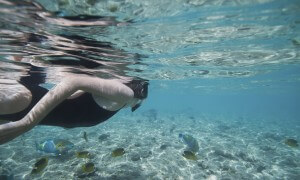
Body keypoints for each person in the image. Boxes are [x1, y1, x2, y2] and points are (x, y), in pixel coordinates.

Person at [0, 65, 148, 145]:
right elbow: (74, 80)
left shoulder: (121, 101)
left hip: (20, 104)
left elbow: (73, 113)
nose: (136, 107)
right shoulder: (126, 94)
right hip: (22, 101)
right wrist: (28, 122)